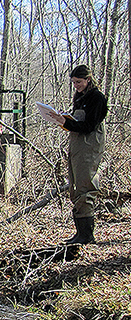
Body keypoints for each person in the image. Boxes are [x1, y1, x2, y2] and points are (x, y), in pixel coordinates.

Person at [50, 64, 108, 245]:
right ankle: (80, 233)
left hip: (89, 147)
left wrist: (65, 123)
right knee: (75, 186)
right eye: (73, 82)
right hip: (76, 146)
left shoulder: (97, 98)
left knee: (85, 186)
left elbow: (89, 126)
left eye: (79, 82)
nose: (76, 85)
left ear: (88, 80)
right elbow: (78, 122)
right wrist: (64, 119)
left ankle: (86, 235)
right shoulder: (80, 96)